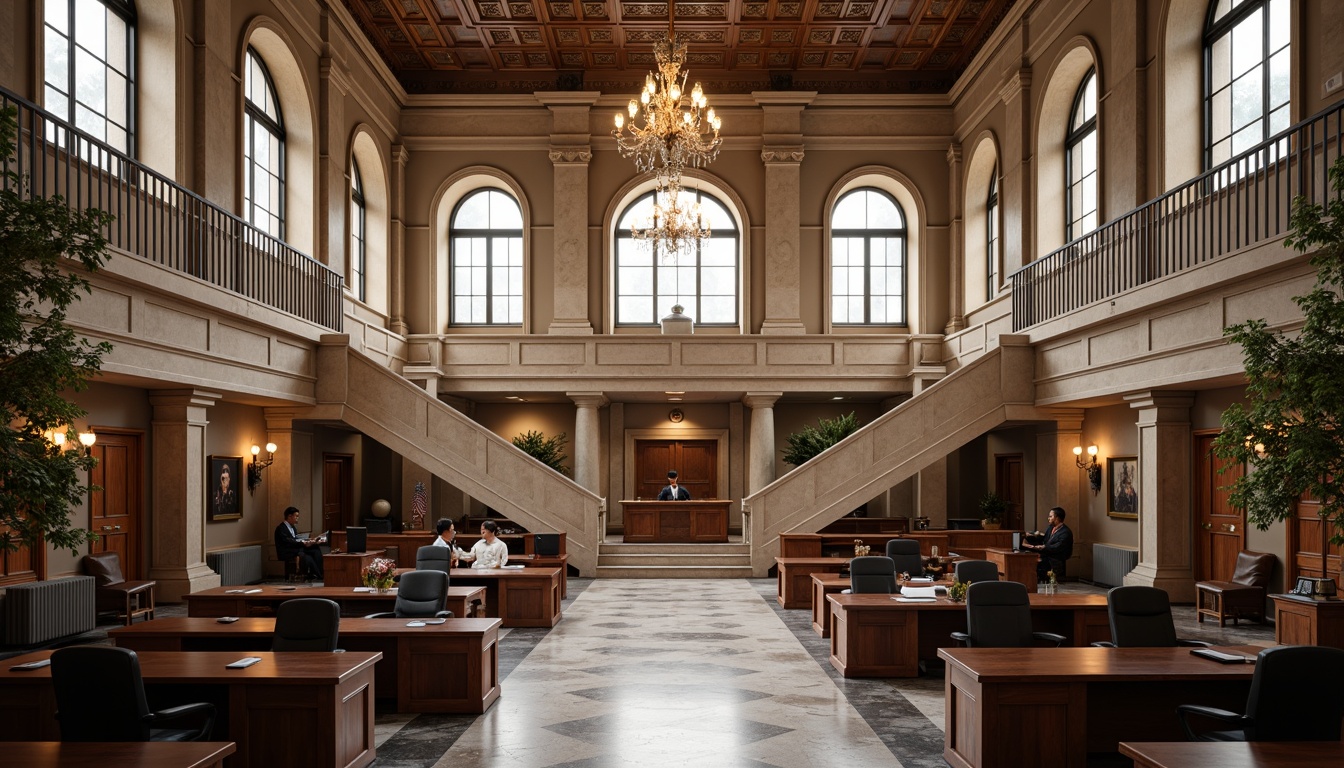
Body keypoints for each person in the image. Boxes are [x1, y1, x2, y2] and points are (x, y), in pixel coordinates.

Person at [1023, 506, 1073, 581]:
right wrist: (1032, 536)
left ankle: (1037, 579)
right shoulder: (1050, 527)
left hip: (1056, 557)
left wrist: (1043, 547)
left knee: (1038, 561)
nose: (1048, 518)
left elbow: (1057, 547)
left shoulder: (1065, 532)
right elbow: (1045, 539)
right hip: (1047, 553)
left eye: (1050, 516)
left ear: (1057, 518)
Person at [274, 506, 324, 579]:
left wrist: (309, 541)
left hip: (294, 548)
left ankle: (320, 573)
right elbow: (288, 542)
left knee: (315, 548)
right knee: (307, 555)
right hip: (287, 551)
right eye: (296, 516)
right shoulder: (281, 528)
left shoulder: (293, 527)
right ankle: (319, 575)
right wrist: (303, 543)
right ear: (289, 516)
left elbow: (296, 539)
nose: (298, 518)